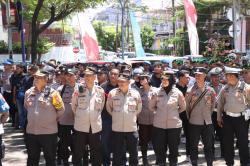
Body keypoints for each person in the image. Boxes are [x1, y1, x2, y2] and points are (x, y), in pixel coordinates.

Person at [24, 69, 65, 166]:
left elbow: (61, 110)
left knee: (50, 159)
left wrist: (50, 120)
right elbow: (26, 107)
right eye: (35, 77)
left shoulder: (53, 94)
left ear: (46, 79)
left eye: (39, 77)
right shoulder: (28, 92)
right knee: (32, 159)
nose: (36, 79)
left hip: (48, 133)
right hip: (31, 132)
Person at [149, 70, 187, 166]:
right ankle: (161, 163)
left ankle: (173, 163)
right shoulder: (156, 92)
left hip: (174, 125)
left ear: (171, 80)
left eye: (167, 79)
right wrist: (158, 113)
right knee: (160, 148)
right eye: (162, 79)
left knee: (173, 148)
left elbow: (183, 107)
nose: (164, 81)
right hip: (159, 125)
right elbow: (151, 106)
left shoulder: (177, 92)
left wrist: (174, 113)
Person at [71, 67, 105, 166]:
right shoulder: (78, 89)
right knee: (78, 152)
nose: (88, 78)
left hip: (95, 127)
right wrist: (83, 115)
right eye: (86, 76)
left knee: (96, 152)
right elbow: (74, 106)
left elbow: (101, 107)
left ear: (95, 77)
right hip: (81, 126)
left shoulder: (100, 91)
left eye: (90, 76)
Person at [106, 72, 142, 166]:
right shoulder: (112, 93)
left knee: (133, 153)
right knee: (117, 153)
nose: (121, 83)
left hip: (131, 128)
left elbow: (138, 108)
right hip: (117, 128)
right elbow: (109, 108)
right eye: (119, 81)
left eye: (123, 82)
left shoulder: (135, 93)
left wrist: (130, 116)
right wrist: (117, 116)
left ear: (129, 82)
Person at [217, 67, 250, 166]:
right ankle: (229, 162)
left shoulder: (246, 87)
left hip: (241, 119)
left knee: (243, 142)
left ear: (236, 76)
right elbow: (220, 104)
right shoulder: (225, 88)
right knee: (228, 142)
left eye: (230, 75)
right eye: (227, 75)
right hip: (228, 119)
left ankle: (245, 162)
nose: (228, 77)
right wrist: (219, 117)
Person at [186, 67, 216, 166]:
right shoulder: (190, 90)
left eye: (199, 75)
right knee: (193, 145)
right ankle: (194, 162)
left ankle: (209, 163)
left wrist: (207, 116)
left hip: (207, 122)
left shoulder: (210, 90)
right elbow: (186, 106)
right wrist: (191, 117)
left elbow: (212, 106)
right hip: (194, 122)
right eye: (196, 75)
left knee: (208, 145)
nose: (197, 76)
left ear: (204, 76)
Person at [57, 68, 77, 165]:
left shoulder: (82, 88)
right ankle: (65, 161)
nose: (68, 77)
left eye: (71, 75)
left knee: (77, 143)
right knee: (64, 143)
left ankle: (76, 160)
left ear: (76, 76)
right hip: (64, 121)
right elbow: (56, 105)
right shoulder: (61, 89)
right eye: (67, 75)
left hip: (78, 122)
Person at [101, 68, 120, 166]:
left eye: (115, 74)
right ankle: (106, 162)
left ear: (119, 75)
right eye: (111, 74)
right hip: (106, 118)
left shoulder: (122, 86)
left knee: (118, 143)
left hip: (119, 119)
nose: (113, 76)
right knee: (105, 142)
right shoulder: (102, 87)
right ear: (108, 74)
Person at [137, 73, 156, 165]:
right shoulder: (138, 92)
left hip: (154, 120)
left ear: (148, 79)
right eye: (140, 79)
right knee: (143, 140)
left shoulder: (155, 90)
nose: (141, 80)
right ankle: (144, 158)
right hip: (142, 120)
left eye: (143, 78)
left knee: (156, 140)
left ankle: (158, 157)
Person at [208, 67, 224, 157]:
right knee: (210, 136)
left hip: (221, 114)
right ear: (211, 78)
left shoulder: (224, 87)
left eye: (217, 77)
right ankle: (211, 154)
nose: (216, 79)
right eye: (214, 77)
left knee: (223, 135)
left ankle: (224, 154)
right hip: (211, 114)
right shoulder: (207, 87)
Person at [0, 59, 15, 127]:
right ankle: (7, 118)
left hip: (12, 92)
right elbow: (2, 82)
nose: (5, 66)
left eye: (6, 64)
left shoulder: (13, 72)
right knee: (6, 106)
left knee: (12, 106)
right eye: (4, 64)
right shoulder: (3, 72)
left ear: (10, 65)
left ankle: (13, 120)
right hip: (5, 91)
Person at [12, 64, 25, 129]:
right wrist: (14, 98)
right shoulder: (15, 77)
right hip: (18, 97)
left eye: (18, 68)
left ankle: (25, 126)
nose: (17, 70)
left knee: (25, 112)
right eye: (16, 68)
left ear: (22, 69)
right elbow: (14, 88)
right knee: (20, 112)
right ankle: (22, 126)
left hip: (25, 97)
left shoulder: (26, 77)